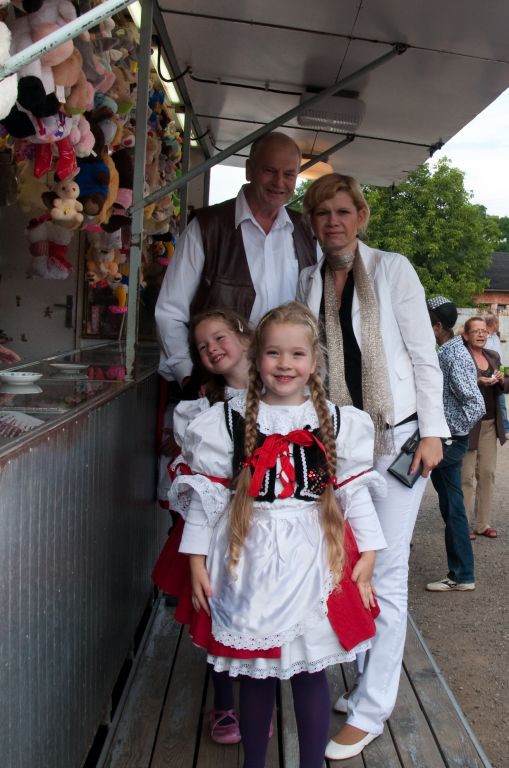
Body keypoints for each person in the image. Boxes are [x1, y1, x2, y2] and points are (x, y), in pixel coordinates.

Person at [169, 302, 387, 768]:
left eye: (296, 354)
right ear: (256, 357)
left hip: (314, 559)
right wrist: (195, 560)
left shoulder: (339, 421)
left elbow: (353, 491)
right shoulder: (224, 421)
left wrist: (369, 552)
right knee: (256, 676)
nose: (284, 364)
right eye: (273, 353)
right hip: (247, 562)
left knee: (310, 675)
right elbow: (207, 498)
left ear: (314, 360)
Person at [297, 173, 449, 760]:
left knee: (384, 572)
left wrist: (432, 433)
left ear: (361, 216)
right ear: (312, 223)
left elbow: (424, 355)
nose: (333, 221)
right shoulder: (308, 279)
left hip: (398, 440)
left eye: (343, 210)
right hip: (336, 445)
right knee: (344, 565)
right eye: (322, 213)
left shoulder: (392, 269)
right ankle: (366, 678)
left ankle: (372, 709)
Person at [152, 308, 252, 746]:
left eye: (219, 337)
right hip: (217, 523)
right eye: (202, 346)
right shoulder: (202, 408)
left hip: (269, 525)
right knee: (217, 608)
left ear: (244, 337)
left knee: (259, 606)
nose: (212, 349)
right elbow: (198, 478)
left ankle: (257, 695)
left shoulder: (282, 392)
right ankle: (224, 702)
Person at [154, 131, 318, 387]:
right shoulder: (206, 228)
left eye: (289, 174)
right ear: (249, 170)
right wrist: (188, 375)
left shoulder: (308, 232)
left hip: (287, 387)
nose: (279, 182)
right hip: (217, 386)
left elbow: (318, 313)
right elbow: (170, 312)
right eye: (269, 170)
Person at [425, 297, 485, 593]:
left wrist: (446, 433)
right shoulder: (447, 351)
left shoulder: (454, 355)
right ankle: (462, 575)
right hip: (445, 439)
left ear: (437, 326)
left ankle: (461, 574)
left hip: (447, 442)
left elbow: (475, 405)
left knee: (401, 478)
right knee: (453, 507)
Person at [461, 316, 508, 539]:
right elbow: (454, 385)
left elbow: (506, 384)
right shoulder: (461, 357)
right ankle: (462, 525)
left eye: (484, 331)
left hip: (490, 424)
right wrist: (477, 381)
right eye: (476, 331)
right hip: (468, 425)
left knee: (487, 474)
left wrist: (500, 380)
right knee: (466, 476)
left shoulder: (493, 356)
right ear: (466, 335)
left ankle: (482, 524)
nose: (481, 334)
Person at [484, 313, 509, 432]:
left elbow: (501, 358)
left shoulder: (495, 337)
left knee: (501, 402)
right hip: (488, 374)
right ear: (494, 323)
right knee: (494, 401)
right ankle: (501, 428)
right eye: (498, 322)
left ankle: (505, 428)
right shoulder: (484, 337)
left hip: (500, 373)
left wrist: (505, 373)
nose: (499, 325)